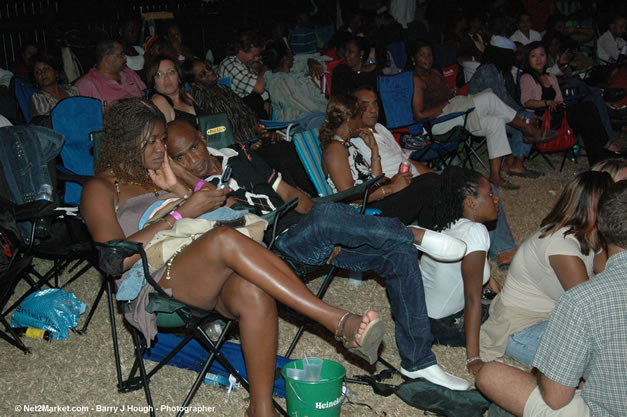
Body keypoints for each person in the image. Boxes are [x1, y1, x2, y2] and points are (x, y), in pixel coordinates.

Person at [80, 98, 387, 417]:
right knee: (223, 239)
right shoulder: (100, 188)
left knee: (253, 291)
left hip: (208, 266)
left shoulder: (161, 170)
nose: (161, 148)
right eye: (151, 142)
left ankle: (261, 409)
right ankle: (335, 321)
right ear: (125, 144)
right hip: (154, 285)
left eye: (161, 139)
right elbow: (114, 260)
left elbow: (221, 200)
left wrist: (177, 185)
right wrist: (179, 213)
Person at [164, 119, 473, 391]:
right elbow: (208, 213)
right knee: (335, 220)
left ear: (203, 139)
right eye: (181, 157)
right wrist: (178, 173)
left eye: (193, 147)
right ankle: (413, 233)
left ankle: (419, 361)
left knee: (396, 251)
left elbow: (287, 192)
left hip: (306, 234)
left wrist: (331, 223)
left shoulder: (239, 155)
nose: (192, 159)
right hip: (269, 255)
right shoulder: (196, 193)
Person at [476, 180, 627, 417]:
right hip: (521, 326)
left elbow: (556, 398)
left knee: (499, 377)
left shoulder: (583, 298)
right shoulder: (562, 247)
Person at [351, 86, 518, 268]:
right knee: (465, 193)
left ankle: (503, 249)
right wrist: (395, 185)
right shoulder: (355, 141)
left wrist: (437, 174)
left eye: (375, 103)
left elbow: (406, 160)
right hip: (402, 190)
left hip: (417, 179)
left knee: (480, 183)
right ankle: (470, 249)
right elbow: (362, 184)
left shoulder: (381, 128)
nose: (373, 109)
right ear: (354, 109)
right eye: (365, 105)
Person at [480, 171, 613, 365]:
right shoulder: (562, 247)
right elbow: (590, 308)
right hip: (520, 330)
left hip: (549, 319)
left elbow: (606, 273)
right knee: (602, 357)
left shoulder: (586, 234)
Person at [410, 40, 555, 189]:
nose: (427, 58)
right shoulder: (416, 80)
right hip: (436, 124)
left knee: (495, 121)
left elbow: (447, 97)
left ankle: (495, 176)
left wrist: (452, 95)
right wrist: (446, 103)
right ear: (413, 59)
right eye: (422, 55)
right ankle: (529, 130)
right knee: (490, 98)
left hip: (454, 113)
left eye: (429, 55)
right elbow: (419, 115)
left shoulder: (435, 73)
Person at [419, 166, 499, 376]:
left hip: (421, 317)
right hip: (444, 325)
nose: (496, 199)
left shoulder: (447, 223)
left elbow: (479, 270)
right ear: (471, 202)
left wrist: (495, 287)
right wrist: (473, 357)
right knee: (514, 313)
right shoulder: (476, 231)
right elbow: (472, 298)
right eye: (490, 194)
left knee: (505, 298)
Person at [519, 41, 610, 165]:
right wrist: (546, 102)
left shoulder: (551, 76)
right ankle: (606, 145)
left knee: (587, 118)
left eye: (542, 55)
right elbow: (526, 102)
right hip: (542, 120)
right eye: (533, 56)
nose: (538, 59)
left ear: (547, 57)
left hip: (557, 115)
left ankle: (597, 162)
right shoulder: (527, 78)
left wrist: (556, 104)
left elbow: (559, 100)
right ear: (528, 59)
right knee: (587, 109)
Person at [468, 37, 539, 178]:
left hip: (494, 113)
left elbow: (505, 100)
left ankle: (514, 163)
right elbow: (500, 101)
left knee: (525, 118)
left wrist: (522, 112)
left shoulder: (497, 71)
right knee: (523, 122)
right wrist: (521, 114)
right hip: (480, 117)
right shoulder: (487, 71)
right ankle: (513, 162)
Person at [182, 59, 259, 143]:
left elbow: (249, 114)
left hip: (254, 137)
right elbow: (214, 131)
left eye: (208, 68)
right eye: (203, 74)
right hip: (235, 146)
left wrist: (261, 130)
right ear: (194, 83)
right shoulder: (198, 97)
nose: (210, 72)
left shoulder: (223, 88)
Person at [262, 41, 328, 121]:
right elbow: (308, 107)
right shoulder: (282, 83)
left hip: (310, 118)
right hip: (299, 125)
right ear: (286, 59)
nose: (292, 54)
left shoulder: (288, 72)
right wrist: (331, 109)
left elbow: (305, 62)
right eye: (289, 51)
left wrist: (310, 61)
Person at [74, 39, 146, 109]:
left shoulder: (129, 72)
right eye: (121, 54)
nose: (125, 57)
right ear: (107, 59)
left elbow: (144, 96)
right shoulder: (87, 85)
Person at [218, 31, 270, 119]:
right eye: (254, 55)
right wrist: (264, 68)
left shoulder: (245, 64)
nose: (257, 58)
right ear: (241, 51)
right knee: (254, 99)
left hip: (252, 111)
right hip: (239, 116)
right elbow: (259, 88)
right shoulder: (231, 64)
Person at [147, 55, 203, 126]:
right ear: (153, 82)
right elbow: (168, 135)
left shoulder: (187, 96)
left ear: (179, 76)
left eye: (170, 72)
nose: (166, 78)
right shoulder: (158, 101)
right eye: (159, 75)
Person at [28, 52, 79, 119]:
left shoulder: (72, 90)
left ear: (56, 72)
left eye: (46, 69)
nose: (42, 74)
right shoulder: (38, 99)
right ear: (35, 78)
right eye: (38, 72)